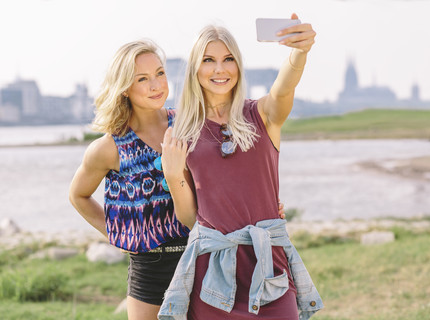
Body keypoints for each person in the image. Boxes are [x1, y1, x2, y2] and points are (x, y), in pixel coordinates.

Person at [69, 40, 285, 320]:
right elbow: (78, 195)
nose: (156, 85)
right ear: (124, 87)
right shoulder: (109, 147)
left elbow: (230, 175)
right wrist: (115, 235)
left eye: (160, 73)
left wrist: (265, 205)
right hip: (150, 268)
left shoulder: (189, 124)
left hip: (202, 258)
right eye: (142, 79)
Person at [158, 13, 322, 320]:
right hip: (213, 278)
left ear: (238, 65)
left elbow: (283, 90)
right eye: (208, 60)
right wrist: (171, 174)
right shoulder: (182, 134)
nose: (219, 69)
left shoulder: (263, 115)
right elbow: (191, 218)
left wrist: (299, 52)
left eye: (228, 59)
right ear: (195, 68)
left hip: (269, 268)